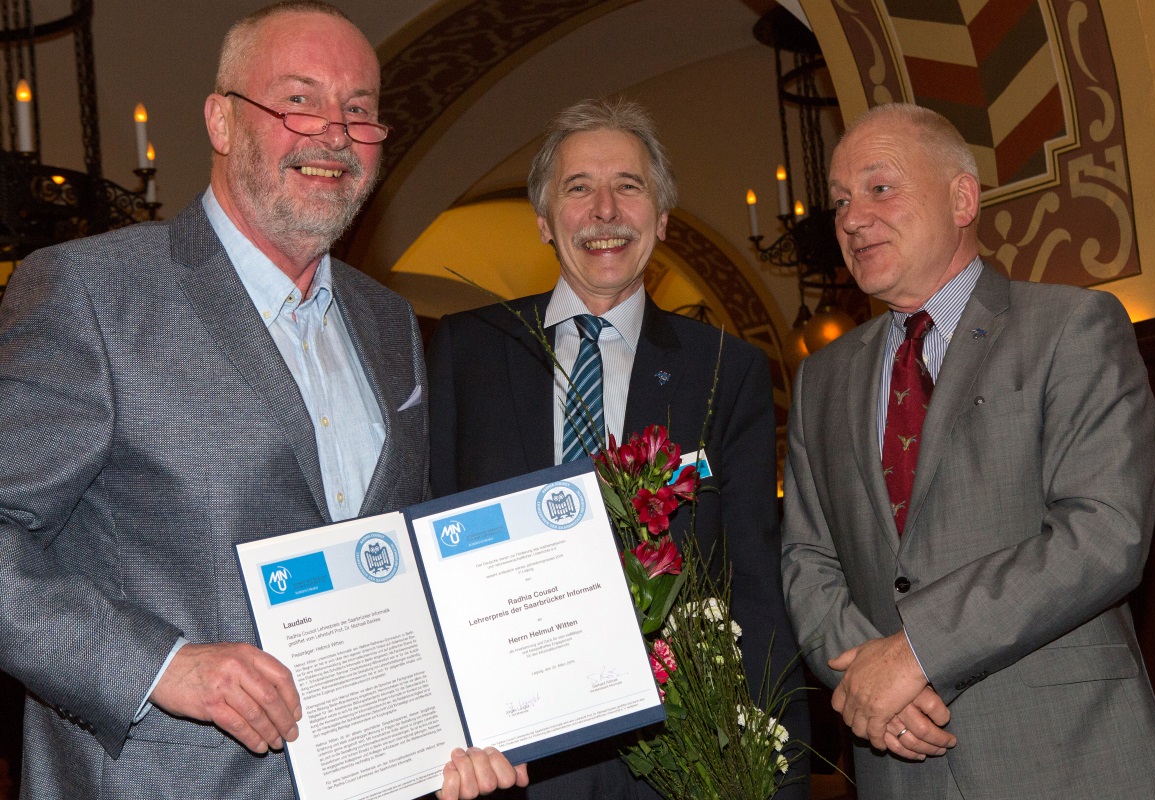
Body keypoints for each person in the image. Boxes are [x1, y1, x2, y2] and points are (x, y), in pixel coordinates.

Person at [0, 3, 525, 798]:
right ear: (221, 120)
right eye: (299, 101)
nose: (334, 134)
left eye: (359, 111)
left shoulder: (385, 322)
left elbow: (398, 549)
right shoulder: (94, 293)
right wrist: (161, 667)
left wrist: (469, 715)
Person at [780, 102, 1155, 799]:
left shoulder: (1070, 328)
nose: (851, 218)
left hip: (1071, 760)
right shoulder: (822, 378)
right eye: (842, 201)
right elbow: (807, 558)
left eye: (880, 188)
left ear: (962, 197)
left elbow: (1104, 533)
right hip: (901, 765)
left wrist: (916, 653)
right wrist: (866, 677)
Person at [427, 97, 809, 800]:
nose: (604, 210)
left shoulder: (726, 371)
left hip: (678, 764)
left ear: (661, 219)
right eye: (578, 189)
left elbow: (754, 581)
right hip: (505, 765)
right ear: (544, 221)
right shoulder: (467, 352)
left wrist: (779, 774)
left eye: (628, 186)